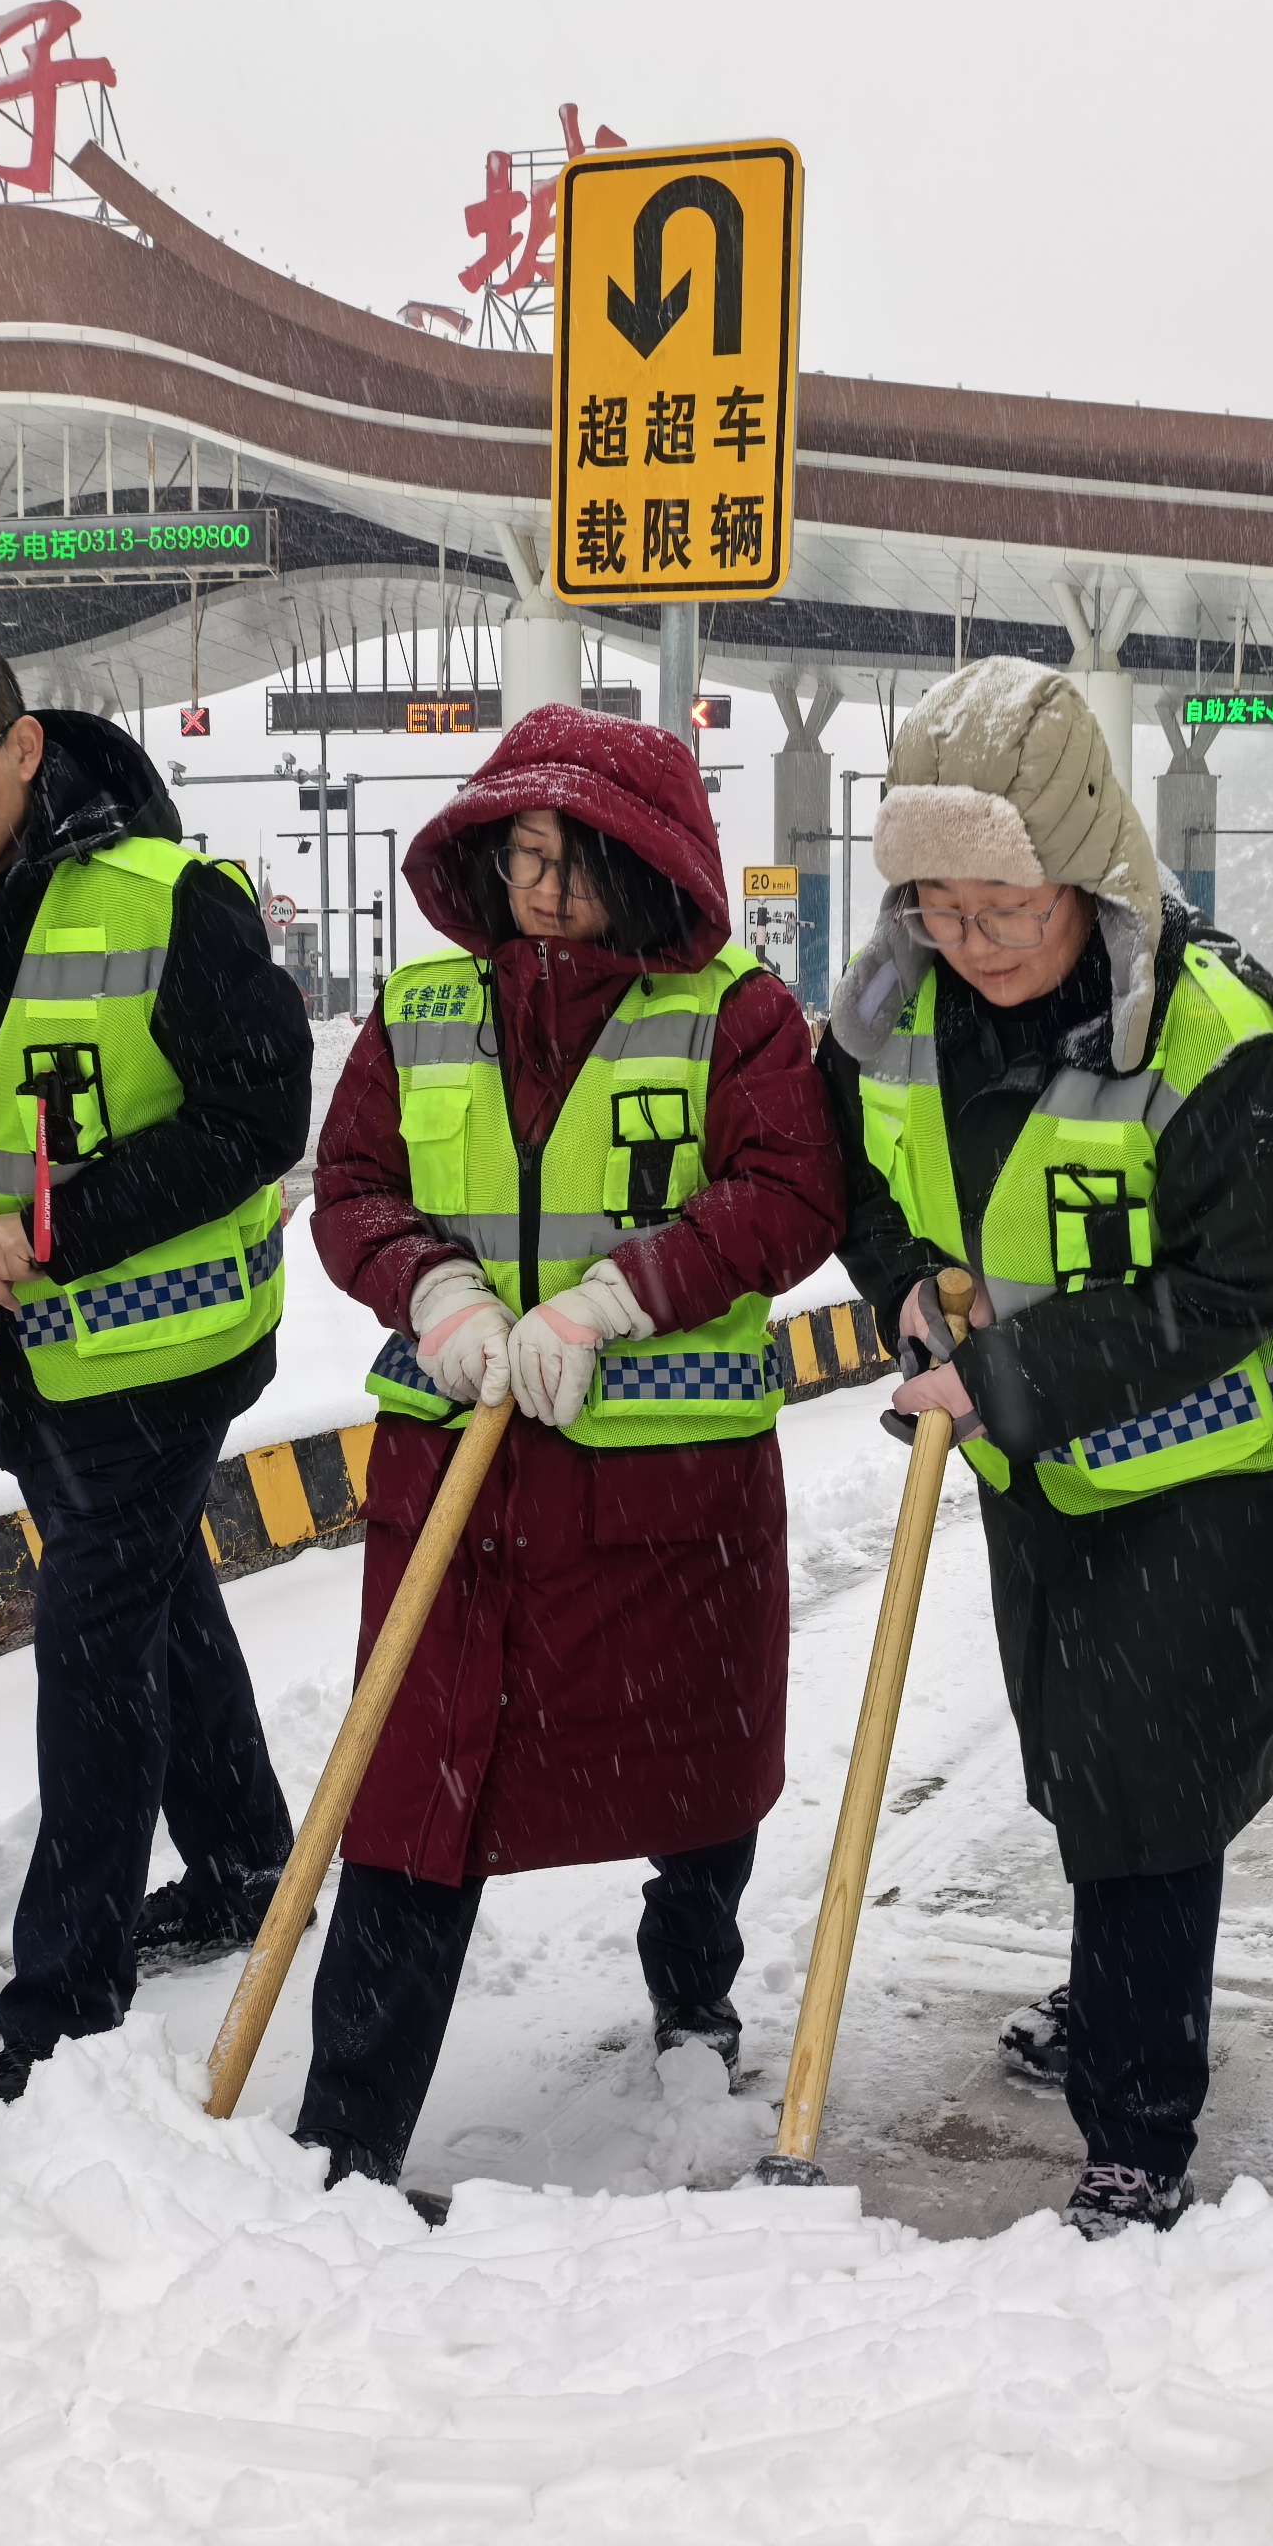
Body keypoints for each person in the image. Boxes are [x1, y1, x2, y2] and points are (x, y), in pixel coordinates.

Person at [817, 657, 1273, 2240]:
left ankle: (1140, 2126)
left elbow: (1242, 1279)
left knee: (1149, 1784)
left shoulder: (1217, 1034)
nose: (967, 943)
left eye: (1003, 909)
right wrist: (908, 1285)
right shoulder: (899, 1013)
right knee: (1074, 1751)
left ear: (1090, 873)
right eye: (936, 907)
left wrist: (1018, 1369)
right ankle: (1112, 1996)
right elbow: (862, 1191)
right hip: (1038, 1458)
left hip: (1218, 1462)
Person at [296, 704, 842, 2199]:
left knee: (694, 1782)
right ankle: (349, 2126)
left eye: (577, 863)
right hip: (460, 1477)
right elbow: (348, 1185)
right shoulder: (420, 1007)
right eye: (522, 856)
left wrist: (624, 1295)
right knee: (416, 1783)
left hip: (669, 1490)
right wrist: (432, 1286)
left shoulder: (738, 1014)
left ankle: (694, 2006)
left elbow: (791, 1196)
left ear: (652, 870)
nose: (543, 890)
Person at [0, 627, 312, 2133]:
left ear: (21, 750)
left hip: (168, 1342)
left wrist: (45, 1231)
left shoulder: (170, 903)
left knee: (93, 1647)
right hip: (14, 1342)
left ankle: (59, 2022)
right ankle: (241, 1865)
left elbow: (257, 1111)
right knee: (155, 1594)